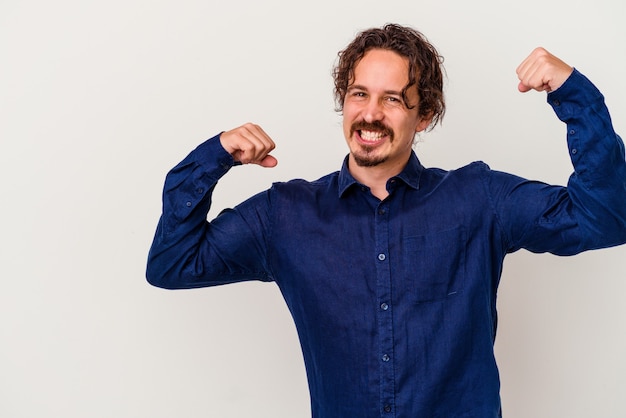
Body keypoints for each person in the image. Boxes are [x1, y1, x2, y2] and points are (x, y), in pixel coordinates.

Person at [146, 23, 626, 418]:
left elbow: (604, 219)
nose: (370, 114)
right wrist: (215, 158)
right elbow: (172, 264)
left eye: (394, 99)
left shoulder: (478, 198)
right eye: (359, 94)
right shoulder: (285, 215)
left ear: (424, 115)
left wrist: (575, 97)